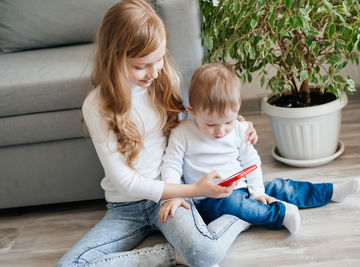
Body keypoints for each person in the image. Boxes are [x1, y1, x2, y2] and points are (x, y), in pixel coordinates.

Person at [56, 1, 258, 267]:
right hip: (125, 208)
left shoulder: (165, 80)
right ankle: (171, 255)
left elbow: (191, 125)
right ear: (113, 59)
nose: (154, 71)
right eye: (141, 65)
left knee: (206, 254)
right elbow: (126, 182)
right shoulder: (97, 106)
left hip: (171, 195)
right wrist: (195, 189)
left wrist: (234, 125)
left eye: (159, 58)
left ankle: (244, 214)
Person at [159, 62, 360, 236]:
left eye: (228, 122)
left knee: (280, 187)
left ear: (238, 108)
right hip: (210, 200)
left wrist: (257, 192)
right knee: (235, 204)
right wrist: (175, 195)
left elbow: (251, 162)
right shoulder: (183, 132)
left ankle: (329, 192)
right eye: (210, 124)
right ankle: (280, 214)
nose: (220, 131)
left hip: (242, 184)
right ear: (192, 111)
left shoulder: (239, 129)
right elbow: (171, 165)